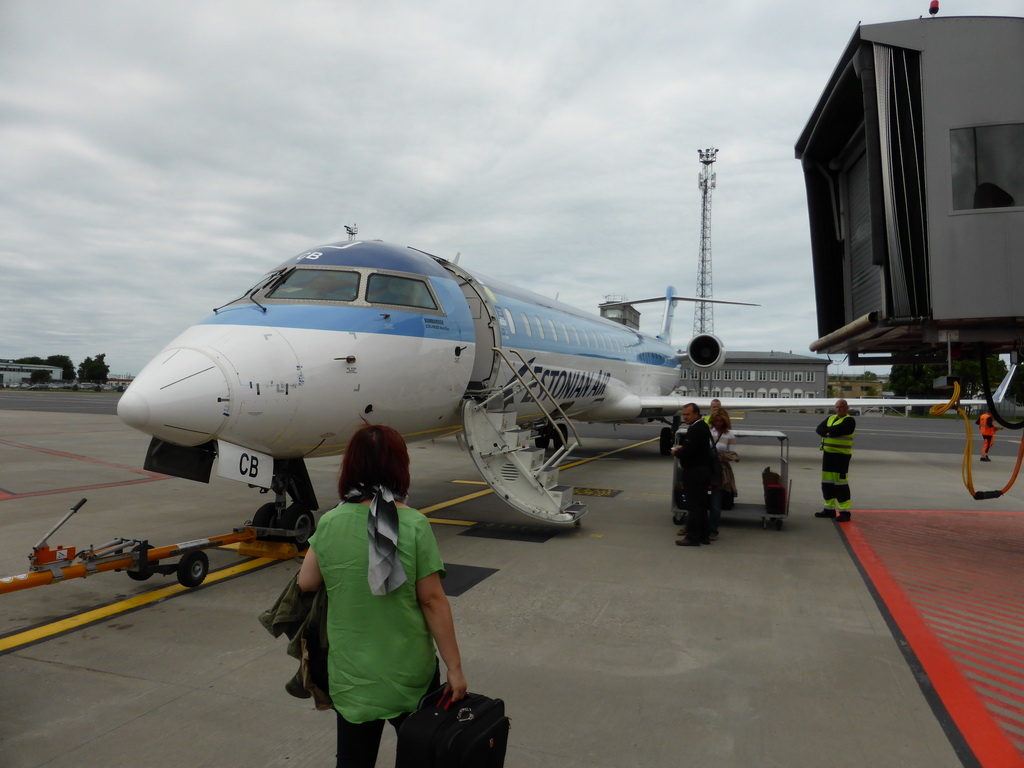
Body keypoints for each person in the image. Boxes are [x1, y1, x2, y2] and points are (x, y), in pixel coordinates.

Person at [297, 423, 467, 768]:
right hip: (410, 675)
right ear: (400, 468)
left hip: (352, 676)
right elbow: (432, 600)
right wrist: (455, 668)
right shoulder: (415, 524)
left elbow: (307, 583)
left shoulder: (331, 522)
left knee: (354, 761)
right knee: (422, 756)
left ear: (350, 467)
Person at [672, 403, 715, 546]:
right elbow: (695, 447)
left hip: (695, 472)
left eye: (688, 414)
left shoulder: (695, 429)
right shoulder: (702, 427)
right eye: (684, 414)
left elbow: (687, 452)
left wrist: (676, 452)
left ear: (696, 414)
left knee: (694, 505)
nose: (685, 417)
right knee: (701, 505)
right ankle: (704, 535)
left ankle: (693, 537)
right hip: (702, 470)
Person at [814, 399, 855, 522]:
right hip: (828, 455)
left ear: (847, 407)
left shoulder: (849, 421)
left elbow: (839, 431)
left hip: (841, 457)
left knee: (840, 484)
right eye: (837, 407)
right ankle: (829, 509)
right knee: (827, 483)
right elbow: (818, 429)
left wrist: (827, 432)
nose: (839, 409)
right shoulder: (831, 418)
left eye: (841, 407)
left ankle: (844, 512)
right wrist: (829, 432)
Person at [708, 408, 739, 540]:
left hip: (719, 470)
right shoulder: (709, 432)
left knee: (715, 502)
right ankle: (695, 526)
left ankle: (713, 530)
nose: (718, 423)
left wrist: (723, 458)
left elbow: (733, 454)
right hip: (706, 468)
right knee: (700, 500)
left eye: (721, 420)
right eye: (716, 420)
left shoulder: (729, 435)